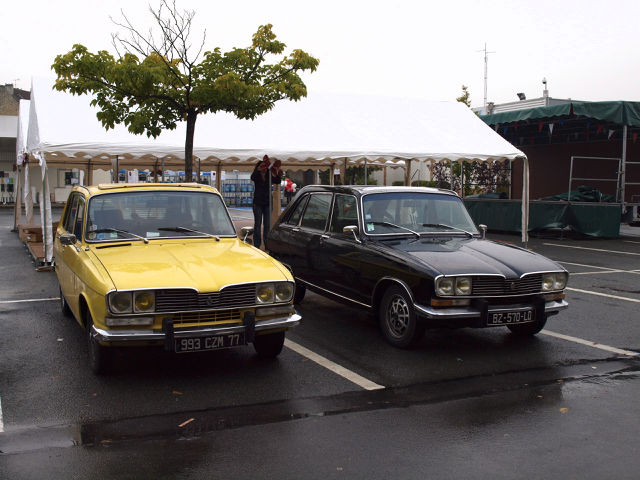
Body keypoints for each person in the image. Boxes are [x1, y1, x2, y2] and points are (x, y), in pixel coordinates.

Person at [250, 155, 283, 249]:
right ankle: (257, 245)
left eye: (265, 167)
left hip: (268, 202)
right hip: (258, 203)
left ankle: (267, 245)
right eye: (262, 167)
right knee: (257, 224)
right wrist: (258, 170)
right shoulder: (256, 175)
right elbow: (252, 177)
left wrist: (277, 173)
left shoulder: (269, 174)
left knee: (267, 225)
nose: (264, 169)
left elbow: (277, 181)